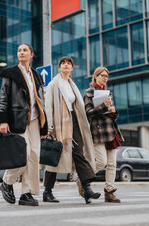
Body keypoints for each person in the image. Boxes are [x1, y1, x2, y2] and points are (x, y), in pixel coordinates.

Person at [42, 57, 101, 204]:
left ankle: (87, 189)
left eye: (69, 63)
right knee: (54, 157)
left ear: (72, 68)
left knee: (79, 153)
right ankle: (47, 192)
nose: (66, 65)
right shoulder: (53, 84)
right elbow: (48, 106)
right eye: (63, 63)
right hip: (58, 123)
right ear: (59, 67)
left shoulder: (72, 85)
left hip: (74, 122)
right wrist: (49, 127)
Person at [0, 43, 48, 206]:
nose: (21, 52)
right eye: (19, 50)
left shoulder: (37, 76)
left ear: (32, 54)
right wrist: (3, 120)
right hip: (17, 119)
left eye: (25, 50)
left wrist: (44, 125)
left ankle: (27, 193)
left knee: (34, 156)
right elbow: (3, 97)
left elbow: (41, 102)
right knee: (22, 155)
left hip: (34, 120)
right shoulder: (10, 73)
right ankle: (7, 181)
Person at [83, 66, 125, 203]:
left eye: (107, 76)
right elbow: (88, 112)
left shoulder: (107, 92)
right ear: (95, 76)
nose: (105, 78)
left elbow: (111, 114)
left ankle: (109, 192)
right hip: (98, 131)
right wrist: (105, 107)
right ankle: (83, 178)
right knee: (101, 161)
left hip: (111, 130)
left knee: (112, 164)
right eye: (102, 75)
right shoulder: (89, 92)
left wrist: (113, 110)